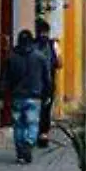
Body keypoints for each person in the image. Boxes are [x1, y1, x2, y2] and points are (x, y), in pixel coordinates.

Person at [0, 30, 51, 164]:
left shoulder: (11, 57)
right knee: (32, 123)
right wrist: (48, 94)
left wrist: (0, 96)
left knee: (18, 125)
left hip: (17, 96)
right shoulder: (40, 57)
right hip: (34, 96)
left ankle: (21, 152)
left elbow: (4, 78)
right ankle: (29, 141)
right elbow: (47, 78)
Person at [34, 20, 62, 148]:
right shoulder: (53, 44)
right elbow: (59, 63)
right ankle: (43, 135)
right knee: (46, 110)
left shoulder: (31, 44)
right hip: (48, 83)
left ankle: (32, 134)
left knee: (34, 109)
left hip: (33, 83)